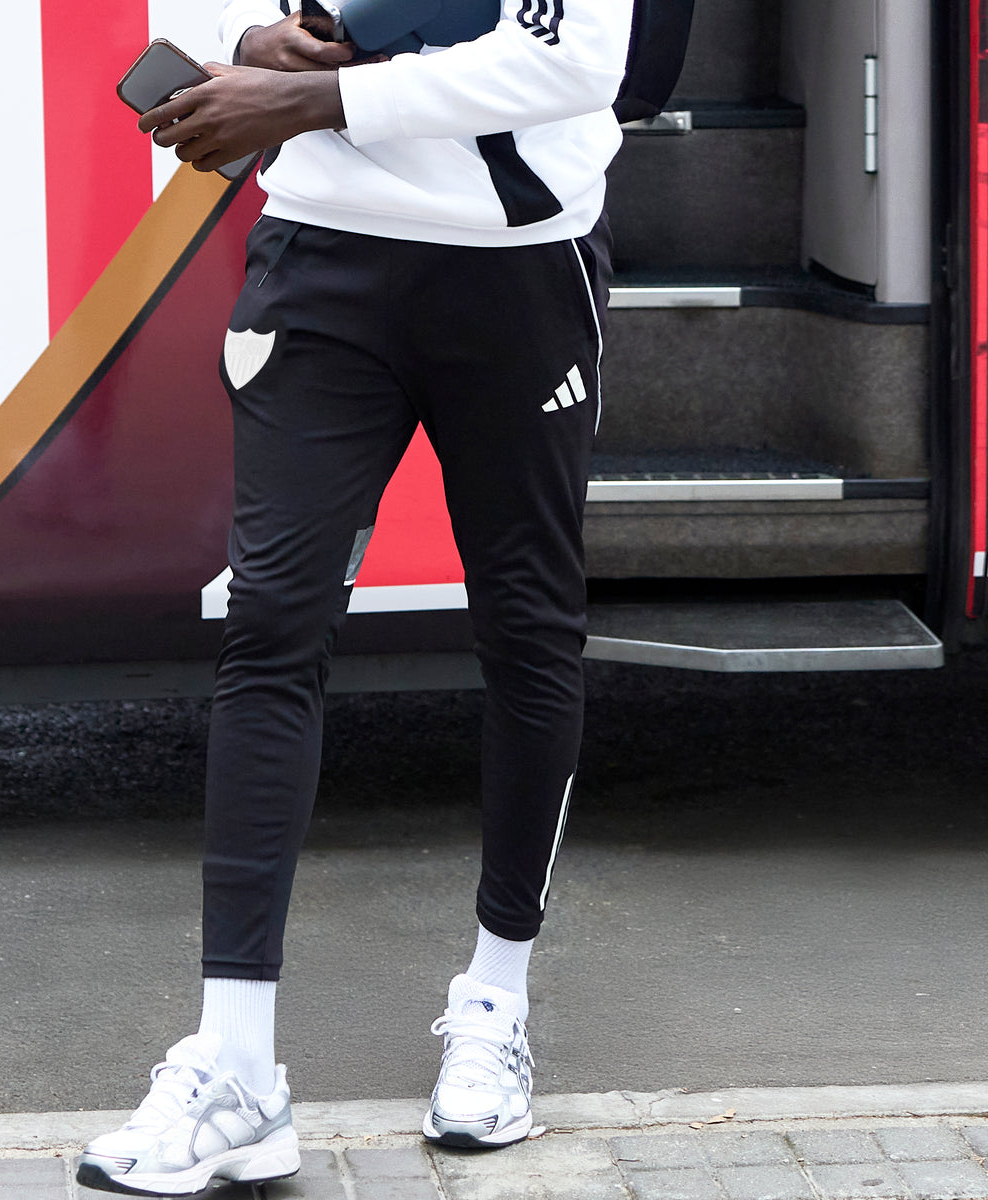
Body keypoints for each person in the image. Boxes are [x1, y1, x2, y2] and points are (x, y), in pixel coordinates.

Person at [77, 0, 631, 1193]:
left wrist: (317, 99)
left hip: (519, 268)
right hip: (321, 254)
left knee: (529, 633)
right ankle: (235, 1075)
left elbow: (582, 53)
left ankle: (493, 1006)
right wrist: (246, 41)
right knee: (270, 624)